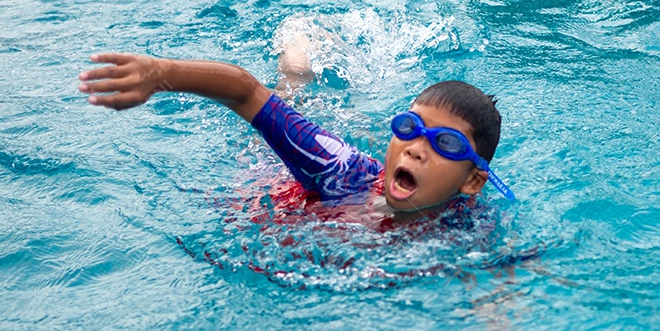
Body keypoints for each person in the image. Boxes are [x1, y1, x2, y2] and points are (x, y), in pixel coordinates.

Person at [77, 44, 514, 227]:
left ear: (473, 180)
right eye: (409, 128)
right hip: (277, 187)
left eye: (446, 144)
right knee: (280, 115)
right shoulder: (342, 170)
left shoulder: (470, 227)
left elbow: (505, 281)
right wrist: (163, 73)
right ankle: (296, 73)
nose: (417, 148)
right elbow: (247, 93)